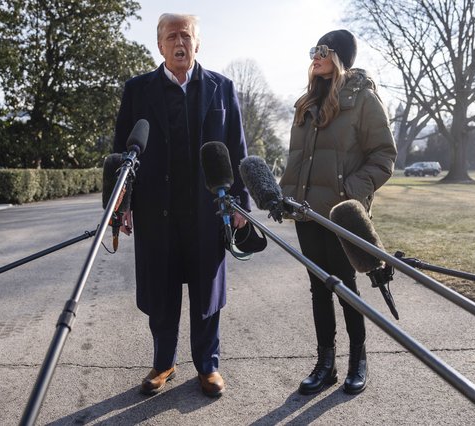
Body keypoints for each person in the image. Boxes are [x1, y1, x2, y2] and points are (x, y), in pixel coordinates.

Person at [112, 13, 250, 398]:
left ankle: (208, 366)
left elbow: (238, 150)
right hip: (157, 210)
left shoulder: (222, 88)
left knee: (207, 294)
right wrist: (120, 204)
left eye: (186, 36)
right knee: (161, 292)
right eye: (171, 36)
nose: (179, 42)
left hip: (209, 212)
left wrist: (241, 204)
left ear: (197, 43)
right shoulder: (138, 89)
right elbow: (124, 151)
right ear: (159, 44)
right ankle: (163, 363)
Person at [279, 29, 397, 395]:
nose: (315, 56)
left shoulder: (364, 99)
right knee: (319, 287)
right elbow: (297, 160)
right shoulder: (305, 103)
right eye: (313, 50)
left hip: (343, 215)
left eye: (323, 51)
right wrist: (285, 197)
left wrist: (351, 192)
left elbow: (384, 156)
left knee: (346, 286)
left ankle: (357, 358)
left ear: (340, 57)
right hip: (307, 212)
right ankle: (325, 363)